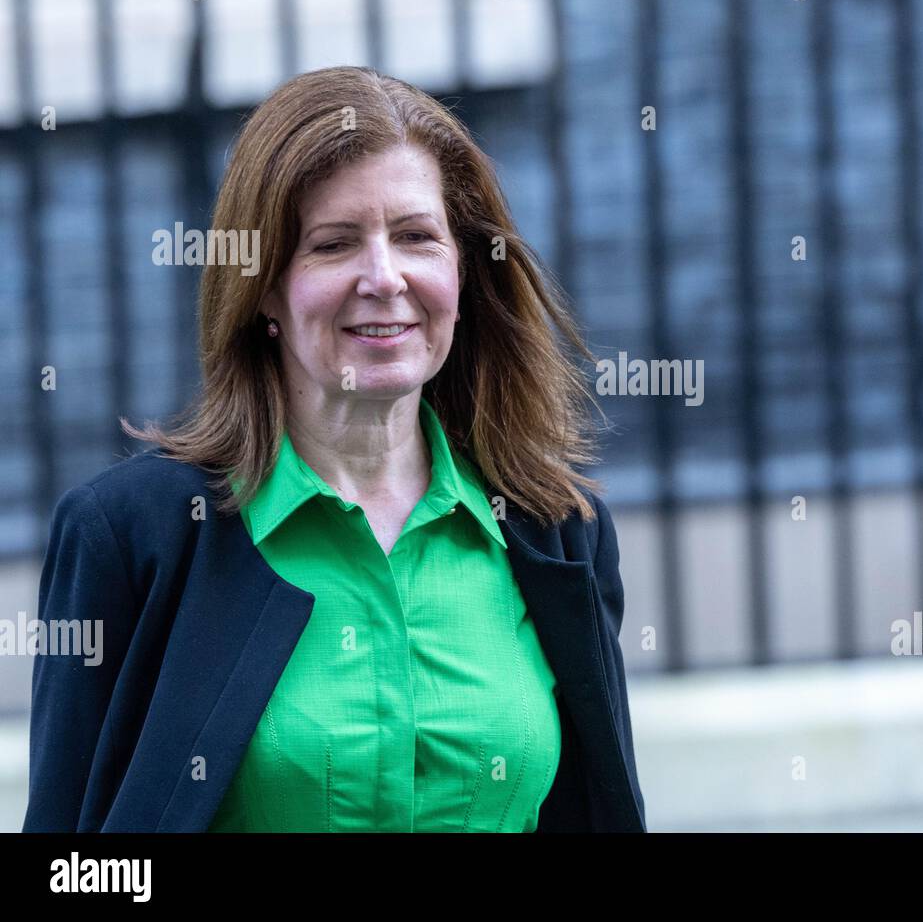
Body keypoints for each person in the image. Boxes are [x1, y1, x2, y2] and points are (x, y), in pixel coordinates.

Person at [23, 65, 646, 832]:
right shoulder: (134, 538)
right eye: (334, 244)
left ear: (462, 271)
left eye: (417, 237)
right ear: (262, 291)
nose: (384, 278)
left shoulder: (556, 531)